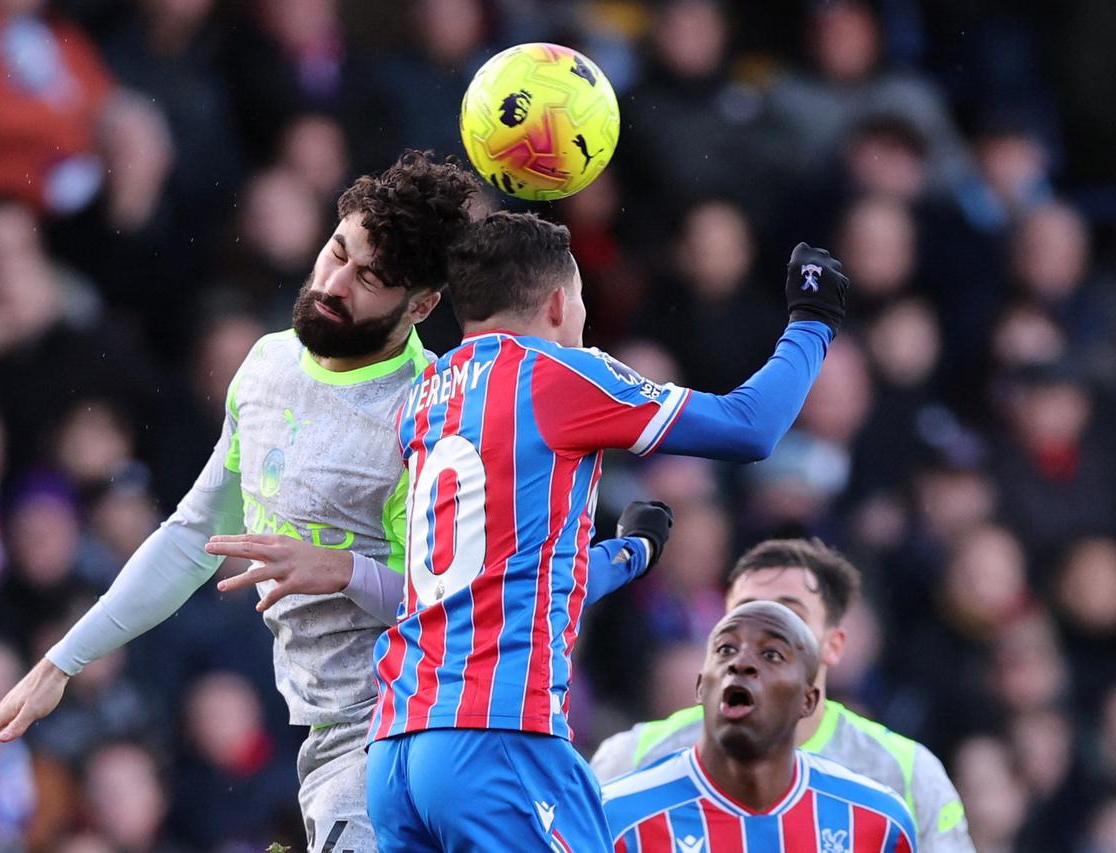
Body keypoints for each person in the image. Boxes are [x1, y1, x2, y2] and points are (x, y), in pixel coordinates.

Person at [0, 153, 670, 853]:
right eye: (337, 252)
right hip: (328, 740)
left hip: (412, 732)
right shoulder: (266, 363)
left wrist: (342, 567)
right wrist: (62, 661)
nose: (334, 282)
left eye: (370, 278)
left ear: (420, 304)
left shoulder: (434, 410)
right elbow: (197, 532)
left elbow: (463, 604)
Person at [364, 211, 850, 851]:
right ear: (561, 302)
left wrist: (629, 554)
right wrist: (812, 324)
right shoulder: (556, 374)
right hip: (498, 736)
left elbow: (502, 579)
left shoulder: (427, 397)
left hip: (398, 749)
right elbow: (748, 428)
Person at [592, 538, 974, 852]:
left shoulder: (905, 774)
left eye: (789, 618)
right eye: (744, 615)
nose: (755, 642)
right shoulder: (631, 760)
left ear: (833, 644)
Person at [601, 601, 918, 852]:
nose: (741, 662)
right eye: (726, 649)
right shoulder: (617, 818)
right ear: (701, 687)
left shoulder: (877, 822)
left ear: (807, 701)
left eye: (771, 654)